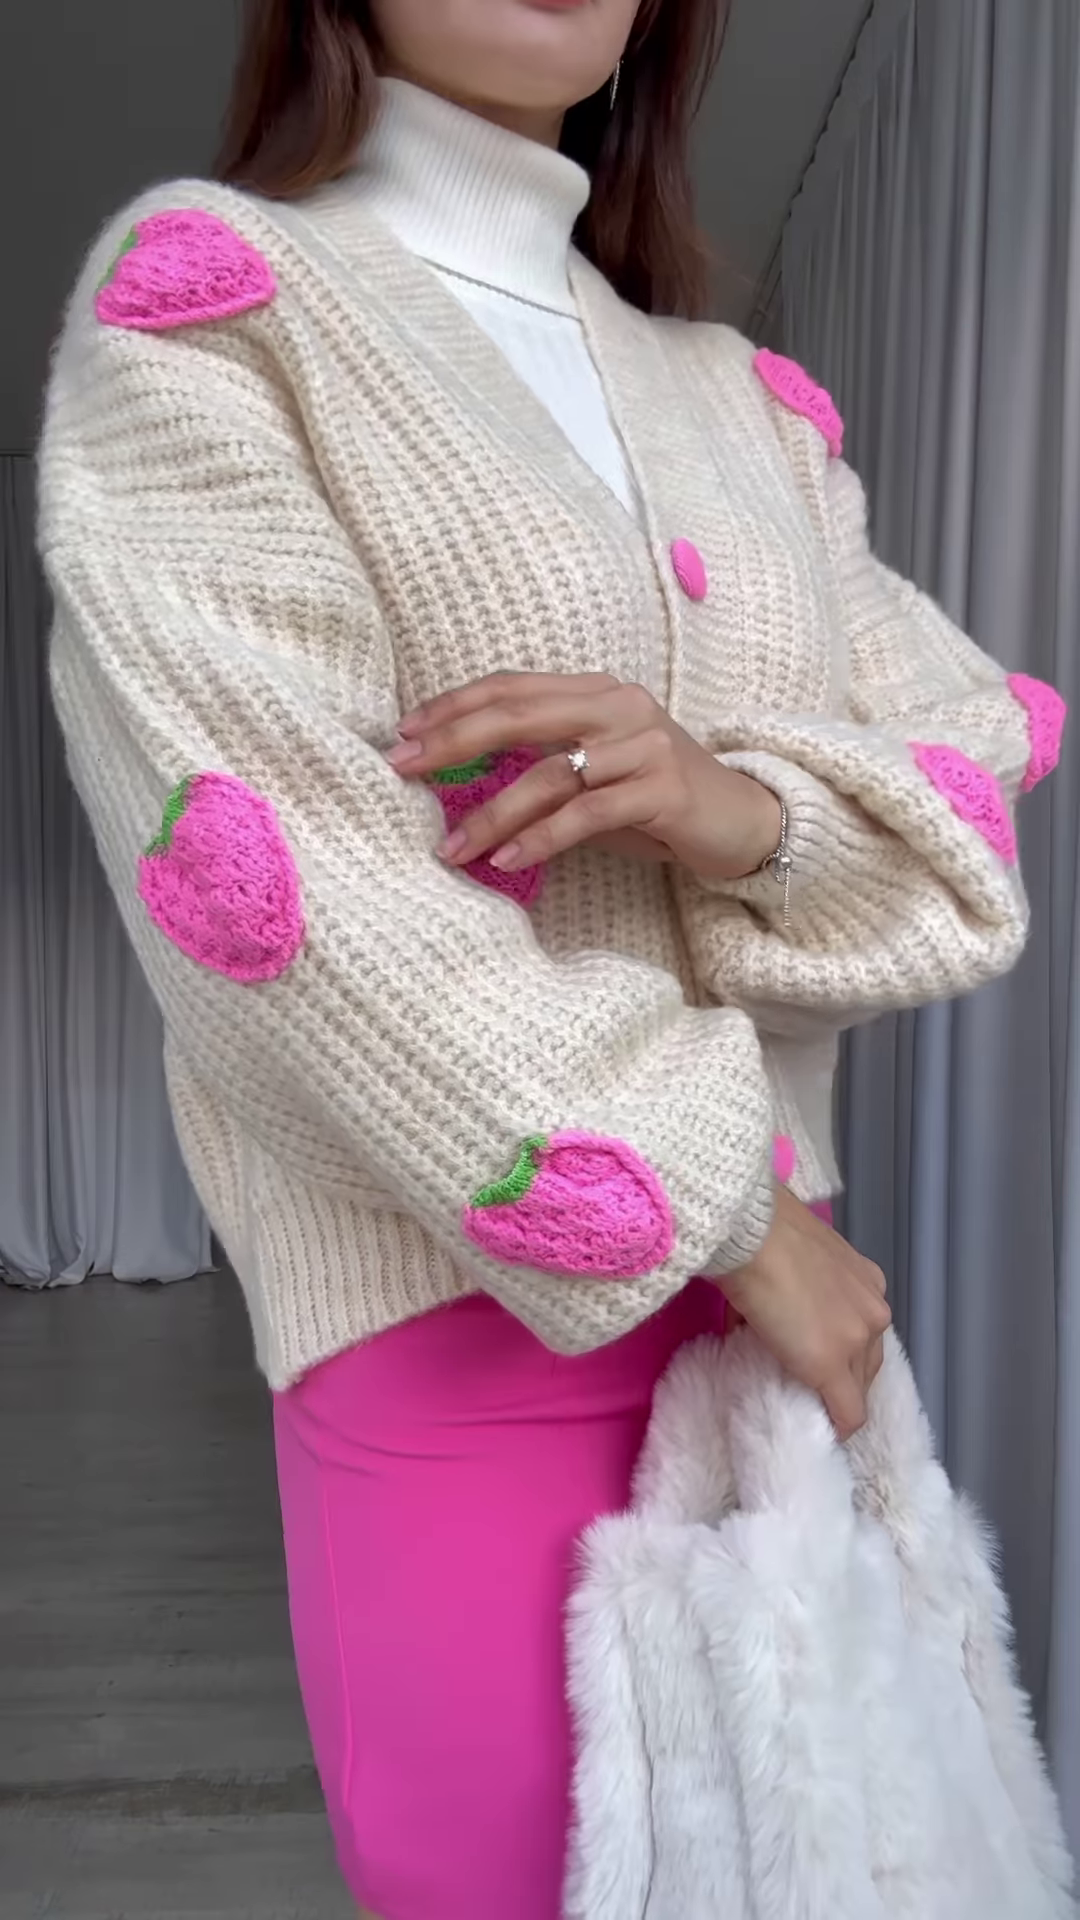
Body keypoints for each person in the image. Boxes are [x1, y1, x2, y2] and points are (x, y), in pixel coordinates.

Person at [37, 2, 1063, 1916]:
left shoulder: (743, 402)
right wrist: (730, 1213)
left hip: (782, 1325)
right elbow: (271, 867)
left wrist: (737, 807)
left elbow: (965, 766)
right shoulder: (218, 308)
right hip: (457, 1325)